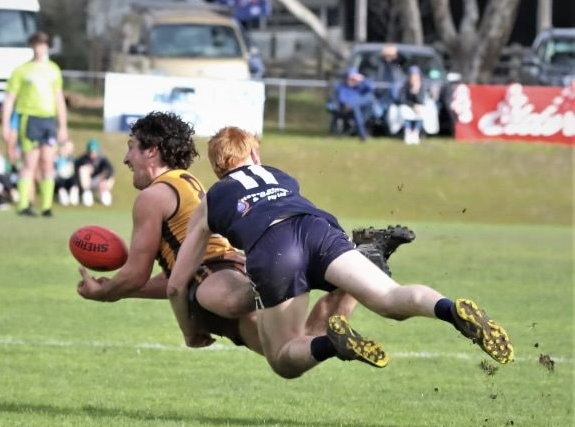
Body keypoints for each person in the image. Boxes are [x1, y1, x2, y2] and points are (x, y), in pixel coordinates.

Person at [167, 126, 514, 380]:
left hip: (274, 249)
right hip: (318, 228)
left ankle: (333, 343)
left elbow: (176, 285)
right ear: (255, 155)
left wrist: (188, 330)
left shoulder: (211, 199)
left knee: (284, 358)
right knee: (390, 298)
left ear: (217, 169)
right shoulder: (281, 176)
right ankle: (450, 309)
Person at [76, 111, 411, 362]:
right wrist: (118, 290)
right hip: (229, 271)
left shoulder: (154, 196)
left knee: (283, 342)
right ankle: (359, 271)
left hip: (215, 280)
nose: (125, 158)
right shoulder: (191, 184)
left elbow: (144, 275)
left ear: (152, 151)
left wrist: (102, 294)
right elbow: (174, 277)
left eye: (132, 147)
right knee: (291, 347)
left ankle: (351, 265)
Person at [1, 31, 68, 217]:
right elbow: (9, 99)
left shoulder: (53, 70)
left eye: (43, 45)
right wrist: (5, 125)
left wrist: (63, 126)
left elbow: (59, 98)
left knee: (48, 162)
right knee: (29, 162)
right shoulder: (22, 71)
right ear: (32, 46)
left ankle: (46, 206)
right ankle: (24, 204)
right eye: (37, 44)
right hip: (29, 119)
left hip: (48, 120)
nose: (40, 48)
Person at [330, 68, 375, 141]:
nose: (352, 80)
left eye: (354, 79)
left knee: (370, 101)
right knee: (355, 109)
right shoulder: (342, 87)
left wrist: (362, 79)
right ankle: (363, 135)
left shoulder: (358, 87)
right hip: (346, 111)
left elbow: (371, 87)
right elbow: (342, 101)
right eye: (350, 78)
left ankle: (361, 132)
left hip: (361, 111)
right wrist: (352, 104)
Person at [73, 139, 116, 207]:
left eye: (94, 151)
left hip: (99, 183)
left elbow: (111, 169)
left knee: (110, 177)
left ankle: (104, 193)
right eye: (91, 151)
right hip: (86, 183)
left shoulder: (102, 159)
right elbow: (76, 172)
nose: (92, 153)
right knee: (83, 169)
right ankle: (86, 193)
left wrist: (103, 177)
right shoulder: (82, 159)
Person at [398, 65, 430, 145]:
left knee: (421, 112)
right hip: (408, 106)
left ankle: (415, 133)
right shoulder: (405, 86)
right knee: (405, 111)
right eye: (413, 75)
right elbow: (403, 99)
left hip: (418, 107)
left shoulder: (422, 85)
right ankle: (408, 133)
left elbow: (421, 100)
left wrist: (416, 91)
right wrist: (412, 105)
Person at [54, 139, 78, 206]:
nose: (67, 150)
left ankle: (73, 194)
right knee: (59, 179)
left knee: (74, 180)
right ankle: (62, 194)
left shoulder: (74, 159)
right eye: (66, 148)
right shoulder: (56, 158)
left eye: (69, 149)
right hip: (58, 182)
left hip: (70, 181)